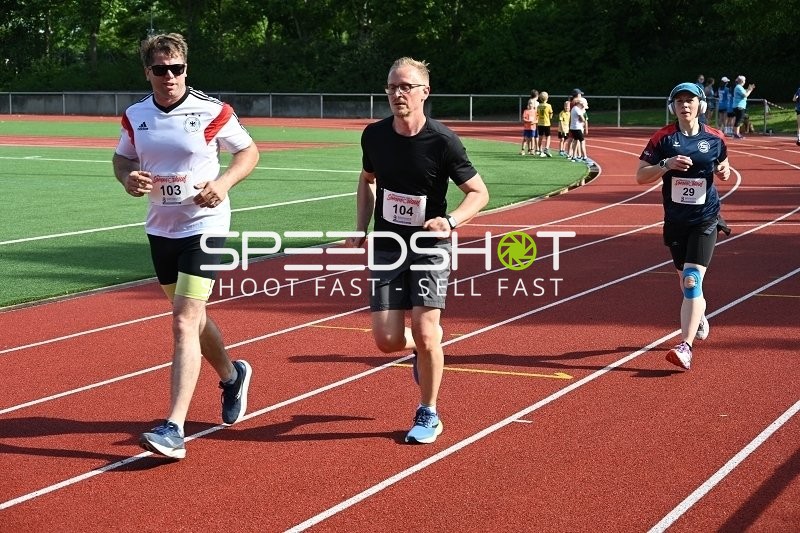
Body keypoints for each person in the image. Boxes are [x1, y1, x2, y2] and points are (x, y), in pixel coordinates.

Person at [112, 33, 260, 459]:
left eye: (176, 68)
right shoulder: (136, 115)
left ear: (186, 69)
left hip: (205, 224)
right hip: (161, 227)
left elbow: (248, 153)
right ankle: (232, 375)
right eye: (160, 69)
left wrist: (223, 183)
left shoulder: (212, 110)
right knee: (191, 319)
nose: (169, 76)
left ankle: (173, 427)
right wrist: (128, 178)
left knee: (182, 320)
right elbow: (123, 158)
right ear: (148, 72)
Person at [345, 57, 489, 443]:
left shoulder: (443, 141)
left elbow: (479, 193)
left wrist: (452, 221)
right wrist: (361, 226)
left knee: (427, 333)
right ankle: (423, 355)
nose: (397, 94)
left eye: (406, 86)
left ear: (425, 92)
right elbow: (367, 179)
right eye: (392, 87)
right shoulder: (374, 136)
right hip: (389, 245)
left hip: (430, 245)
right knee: (387, 340)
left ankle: (429, 412)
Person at [635, 82, 731, 370]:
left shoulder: (714, 138)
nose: (685, 105)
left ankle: (685, 346)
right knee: (685, 283)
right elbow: (641, 176)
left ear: (701, 105)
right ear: (672, 107)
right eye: (679, 102)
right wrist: (666, 164)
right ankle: (698, 312)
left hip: (705, 219)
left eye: (690, 100)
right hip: (676, 221)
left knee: (691, 279)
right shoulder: (662, 139)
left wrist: (725, 170)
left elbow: (724, 166)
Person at [731, 75, 756, 139]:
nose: (745, 81)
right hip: (739, 106)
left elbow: (745, 92)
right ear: (742, 81)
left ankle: (736, 133)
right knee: (739, 120)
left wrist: (749, 88)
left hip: (739, 106)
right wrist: (750, 90)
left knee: (738, 119)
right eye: (744, 80)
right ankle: (736, 134)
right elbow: (745, 95)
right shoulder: (739, 87)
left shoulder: (739, 87)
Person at [568, 96, 589, 163]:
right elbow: (582, 119)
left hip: (573, 128)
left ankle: (574, 156)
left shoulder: (574, 108)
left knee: (576, 141)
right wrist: (583, 120)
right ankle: (584, 156)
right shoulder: (577, 109)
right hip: (577, 128)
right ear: (580, 104)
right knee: (582, 141)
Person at [536, 91, 554, 157]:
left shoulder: (538, 106)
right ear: (547, 98)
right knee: (548, 136)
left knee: (540, 137)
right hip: (546, 123)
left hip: (540, 123)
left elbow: (537, 114)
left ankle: (540, 150)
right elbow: (551, 114)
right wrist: (550, 117)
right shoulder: (549, 105)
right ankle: (546, 148)